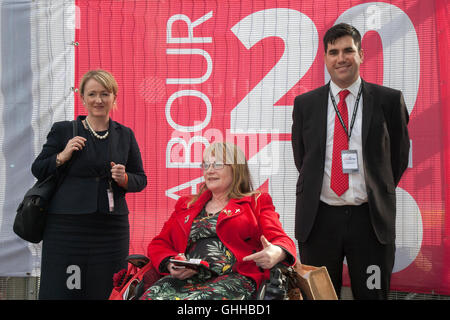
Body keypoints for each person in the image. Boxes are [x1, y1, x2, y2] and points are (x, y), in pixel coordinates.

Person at [291, 23, 410, 299]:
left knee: (372, 295)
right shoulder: (305, 104)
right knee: (319, 297)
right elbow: (304, 159)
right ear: (325, 58)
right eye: (333, 52)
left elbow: (398, 159)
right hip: (319, 221)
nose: (341, 58)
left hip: (370, 222)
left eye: (348, 50)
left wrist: (376, 187)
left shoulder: (388, 101)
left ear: (361, 55)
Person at [32, 69, 147, 299]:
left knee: (107, 288)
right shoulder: (63, 130)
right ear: (82, 97)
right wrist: (62, 156)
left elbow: (140, 179)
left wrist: (124, 179)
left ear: (114, 97)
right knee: (63, 288)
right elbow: (38, 169)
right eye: (92, 94)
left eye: (104, 94)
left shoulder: (125, 134)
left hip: (110, 229)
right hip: (66, 226)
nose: (98, 100)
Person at [141, 142, 296, 300]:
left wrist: (276, 252)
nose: (209, 170)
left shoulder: (257, 201)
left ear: (236, 168)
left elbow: (282, 240)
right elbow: (159, 243)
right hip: (185, 279)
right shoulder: (186, 204)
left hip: (233, 279)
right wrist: (170, 263)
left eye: (218, 164)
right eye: (206, 165)